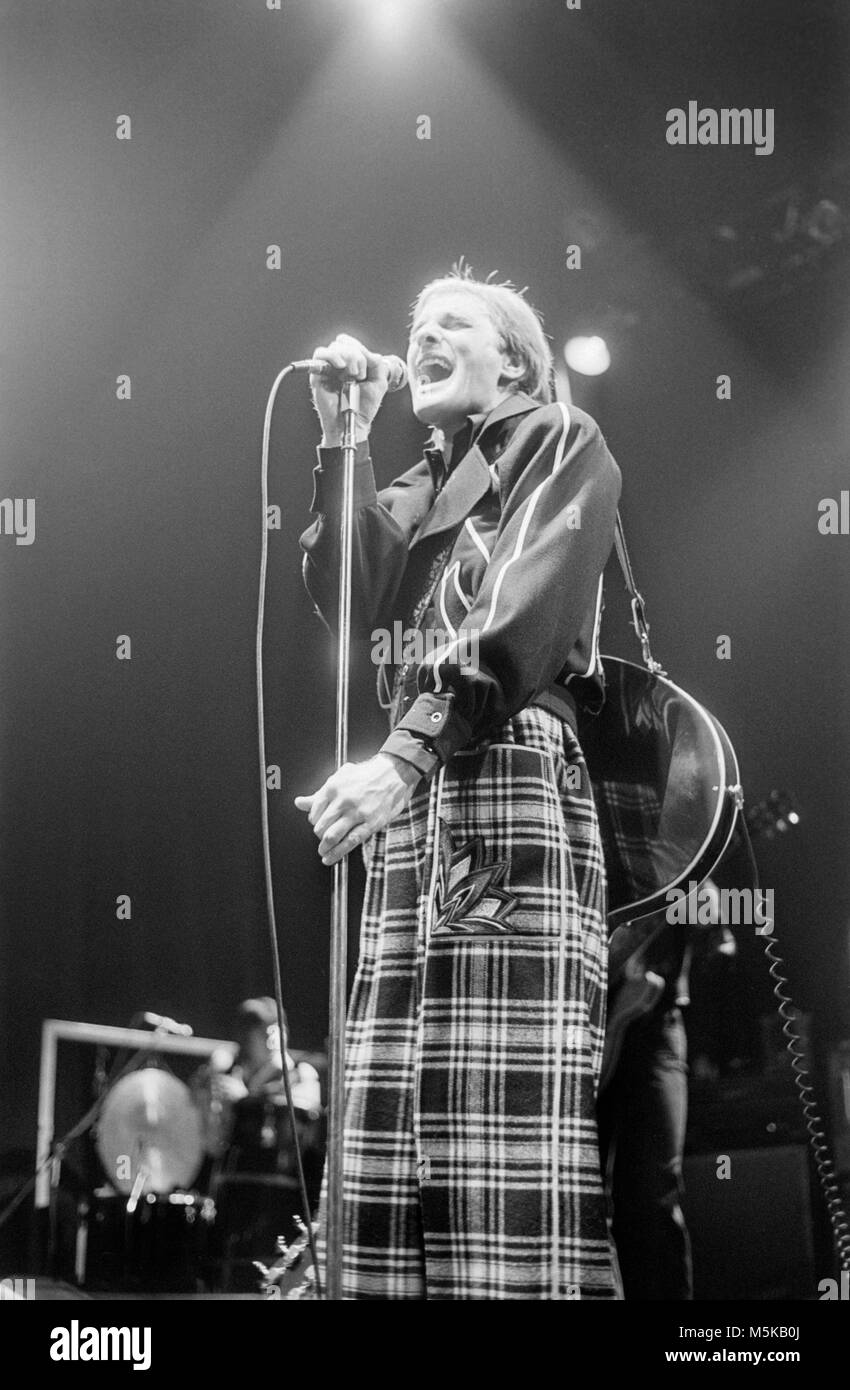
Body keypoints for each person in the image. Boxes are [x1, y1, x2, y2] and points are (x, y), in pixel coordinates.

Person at [295, 264, 622, 1300]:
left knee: (498, 1124)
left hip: (502, 766)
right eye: (416, 325)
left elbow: (525, 617)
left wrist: (404, 754)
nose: (424, 334)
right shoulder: (420, 481)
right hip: (420, 780)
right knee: (387, 1115)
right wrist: (342, 437)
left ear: (512, 358)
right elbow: (345, 598)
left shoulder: (555, 439)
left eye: (452, 323)